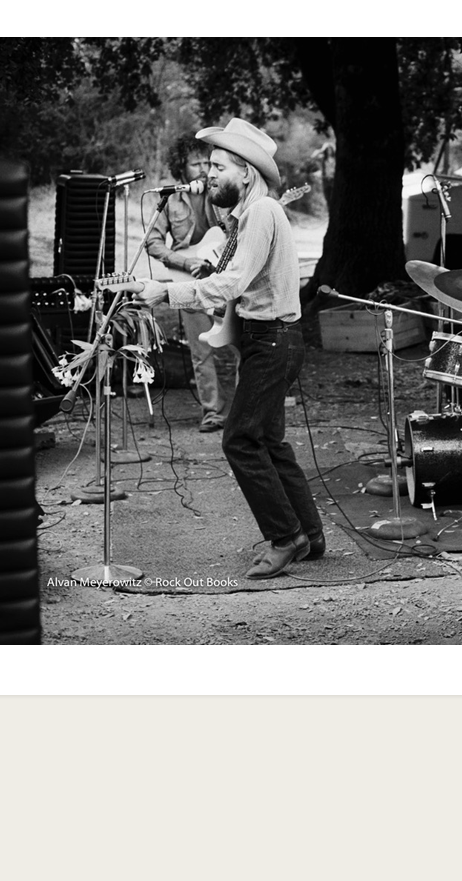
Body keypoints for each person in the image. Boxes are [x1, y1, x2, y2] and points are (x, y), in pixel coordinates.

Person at [137, 117, 324, 580]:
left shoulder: (262, 213)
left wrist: (167, 292)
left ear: (246, 171)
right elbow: (239, 280)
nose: (209, 174)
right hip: (270, 338)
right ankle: (310, 536)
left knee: (238, 439)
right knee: (270, 442)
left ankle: (285, 538)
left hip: (274, 340)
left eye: (218, 166)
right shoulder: (248, 215)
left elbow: (232, 282)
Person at [144, 142, 232, 433]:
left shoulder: (221, 193)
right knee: (201, 348)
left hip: (221, 277)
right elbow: (152, 242)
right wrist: (183, 263)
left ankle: (245, 408)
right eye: (196, 164)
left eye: (208, 163)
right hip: (187, 279)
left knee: (237, 342)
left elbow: (235, 232)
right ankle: (213, 411)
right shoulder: (170, 199)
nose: (204, 169)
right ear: (180, 166)